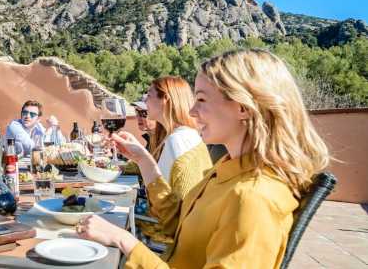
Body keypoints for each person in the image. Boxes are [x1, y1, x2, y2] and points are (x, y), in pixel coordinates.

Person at [77, 49, 330, 268]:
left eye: (201, 99)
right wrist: (145, 162)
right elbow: (181, 222)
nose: (191, 111)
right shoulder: (227, 169)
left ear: (243, 107)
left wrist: (126, 243)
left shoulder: (253, 197)